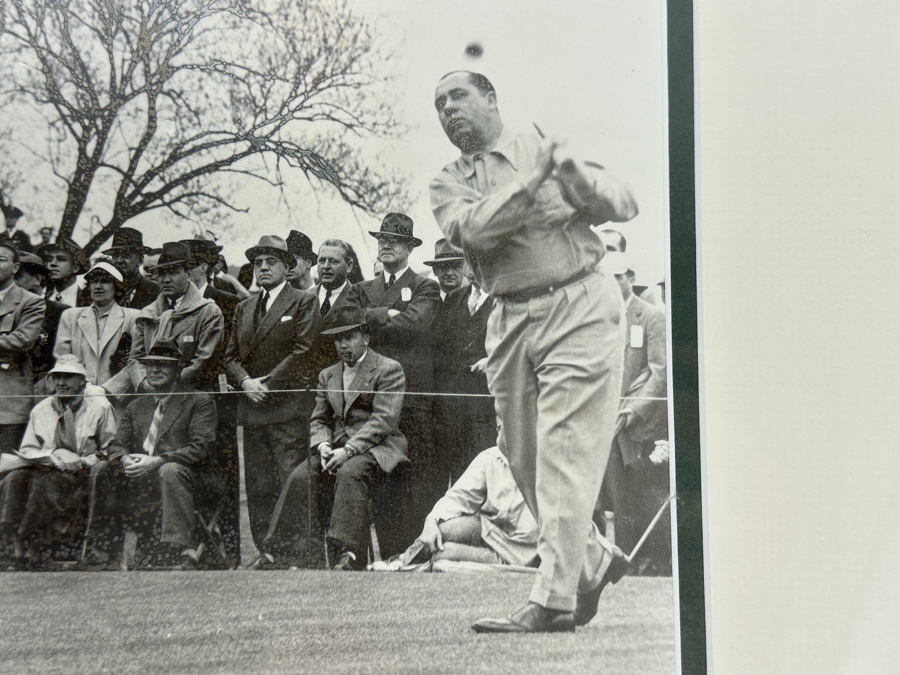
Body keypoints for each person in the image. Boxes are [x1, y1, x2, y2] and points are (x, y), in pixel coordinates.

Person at [429, 71, 638, 632]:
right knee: (521, 456)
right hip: (507, 315)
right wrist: (532, 186)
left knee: (563, 452)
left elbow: (624, 203)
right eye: (439, 103)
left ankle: (553, 598)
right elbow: (474, 231)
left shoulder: (541, 146)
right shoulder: (447, 181)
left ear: (491, 98)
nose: (448, 109)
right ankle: (590, 561)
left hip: (578, 301)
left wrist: (575, 180)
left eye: (458, 96)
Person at [260, 307, 408, 570]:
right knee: (301, 476)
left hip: (378, 449)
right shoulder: (328, 374)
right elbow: (319, 418)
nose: (342, 345)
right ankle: (281, 552)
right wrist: (323, 445)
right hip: (337, 449)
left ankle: (347, 553)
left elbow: (384, 421)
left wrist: (348, 450)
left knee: (350, 472)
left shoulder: (389, 369)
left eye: (349, 337)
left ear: (366, 338)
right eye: (338, 339)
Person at [345, 213, 441, 554]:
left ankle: (416, 554)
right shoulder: (360, 289)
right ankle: (385, 555)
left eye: (395, 240)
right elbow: (348, 320)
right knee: (378, 476)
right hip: (371, 399)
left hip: (412, 399)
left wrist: (372, 320)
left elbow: (415, 323)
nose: (386, 245)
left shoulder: (426, 287)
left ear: (409, 247)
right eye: (382, 239)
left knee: (413, 479)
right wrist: (387, 314)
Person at [224, 235, 320, 551]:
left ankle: (296, 552)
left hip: (287, 410)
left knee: (290, 482)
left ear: (287, 266)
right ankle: (265, 551)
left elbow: (304, 350)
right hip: (253, 411)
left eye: (271, 262)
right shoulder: (244, 307)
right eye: (258, 263)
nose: (263, 268)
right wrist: (245, 382)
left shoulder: (303, 301)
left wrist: (267, 384)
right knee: (259, 485)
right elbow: (230, 357)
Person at [87, 343, 217, 569]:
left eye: (163, 365)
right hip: (141, 479)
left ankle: (176, 550)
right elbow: (116, 443)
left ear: (178, 369)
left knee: (169, 470)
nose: (154, 370)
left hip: (187, 478)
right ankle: (102, 548)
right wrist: (125, 459)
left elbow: (201, 446)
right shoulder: (137, 406)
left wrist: (158, 460)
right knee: (102, 468)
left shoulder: (198, 401)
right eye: (150, 365)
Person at [0, 355, 116, 570]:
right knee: (15, 478)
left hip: (83, 473)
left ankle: (32, 546)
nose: (61, 383)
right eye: (57, 377)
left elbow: (110, 448)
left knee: (46, 481)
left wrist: (81, 461)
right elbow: (28, 448)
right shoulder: (41, 409)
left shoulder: (100, 407)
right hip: (46, 467)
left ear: (82, 381)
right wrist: (54, 454)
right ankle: (13, 544)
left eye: (68, 377)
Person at [597, 253, 670, 573]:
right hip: (608, 421)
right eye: (607, 278)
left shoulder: (651, 316)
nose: (613, 284)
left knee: (640, 493)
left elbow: (659, 373)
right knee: (615, 497)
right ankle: (620, 562)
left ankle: (647, 563)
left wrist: (633, 411)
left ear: (630, 278)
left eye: (618, 276)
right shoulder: (599, 317)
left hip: (641, 426)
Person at [416, 445, 538, 567]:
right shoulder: (492, 457)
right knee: (442, 531)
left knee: (443, 554)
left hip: (518, 553)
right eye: (500, 431)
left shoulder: (544, 464)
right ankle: (407, 563)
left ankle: (421, 565)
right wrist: (431, 521)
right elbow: (459, 496)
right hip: (491, 532)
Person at [130, 242, 224, 392]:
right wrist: (145, 385)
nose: (166, 279)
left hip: (192, 396)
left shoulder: (208, 312)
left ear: (188, 274)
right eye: (161, 274)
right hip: (152, 395)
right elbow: (136, 358)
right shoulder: (147, 314)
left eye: (173, 272)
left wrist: (168, 386)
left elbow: (203, 360)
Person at [430, 271, 495, 483]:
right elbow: (438, 345)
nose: (471, 270)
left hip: (488, 398)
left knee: (485, 461)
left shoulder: (506, 297)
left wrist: (494, 360)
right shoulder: (454, 298)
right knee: (457, 465)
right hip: (453, 399)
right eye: (468, 262)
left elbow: (520, 341)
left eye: (477, 261)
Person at [53, 262, 138, 398]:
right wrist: (84, 387)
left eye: (105, 281)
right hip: (79, 395)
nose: (98, 286)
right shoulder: (71, 316)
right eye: (94, 281)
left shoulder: (133, 317)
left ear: (117, 286)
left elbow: (135, 361)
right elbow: (63, 359)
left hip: (118, 397)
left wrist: (108, 390)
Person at [0, 243, 46, 453]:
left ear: (16, 267)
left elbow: (22, 340)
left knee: (6, 464)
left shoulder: (31, 302)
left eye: (1, 260)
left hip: (9, 403)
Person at [14, 252, 68, 384]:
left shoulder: (61, 312)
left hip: (45, 389)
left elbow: (66, 358)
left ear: (38, 278)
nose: (10, 283)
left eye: (17, 277)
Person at [313, 239, 357, 368]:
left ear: (349, 266)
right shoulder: (303, 298)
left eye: (333, 261)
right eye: (322, 261)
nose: (326, 266)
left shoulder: (359, 299)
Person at [100, 227, 160, 309]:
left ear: (140, 260)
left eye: (125, 256)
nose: (119, 260)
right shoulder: (100, 289)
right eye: (115, 255)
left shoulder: (155, 292)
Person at [36, 237, 89, 307]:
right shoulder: (39, 297)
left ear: (75, 268)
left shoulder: (88, 300)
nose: (52, 263)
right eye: (50, 259)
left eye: (61, 259)